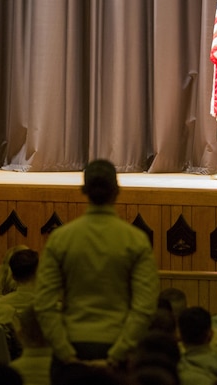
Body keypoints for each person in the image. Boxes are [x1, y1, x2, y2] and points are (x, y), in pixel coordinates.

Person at [34, 159, 159, 372]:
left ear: (84, 190)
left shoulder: (61, 239)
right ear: (117, 190)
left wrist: (66, 354)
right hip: (116, 345)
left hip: (71, 346)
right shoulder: (135, 240)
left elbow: (44, 304)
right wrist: (117, 355)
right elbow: (144, 307)